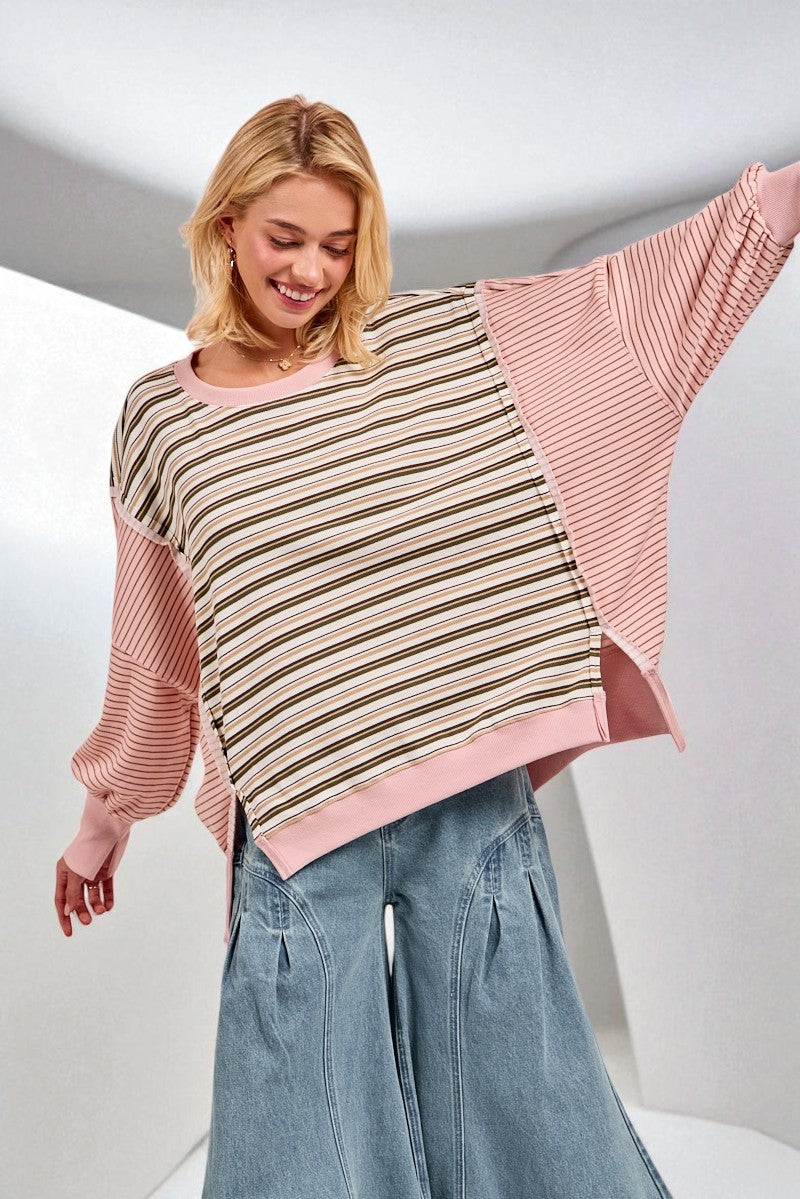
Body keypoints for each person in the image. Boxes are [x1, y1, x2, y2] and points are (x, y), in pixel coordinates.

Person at [55, 94, 798, 1198]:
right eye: (286, 236)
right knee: (298, 1142)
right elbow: (157, 647)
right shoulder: (160, 420)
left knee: (527, 1112)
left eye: (338, 244)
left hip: (469, 795)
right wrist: (105, 817)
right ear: (225, 224)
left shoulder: (438, 343)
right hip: (301, 820)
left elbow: (632, 308)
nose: (311, 270)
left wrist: (776, 202)